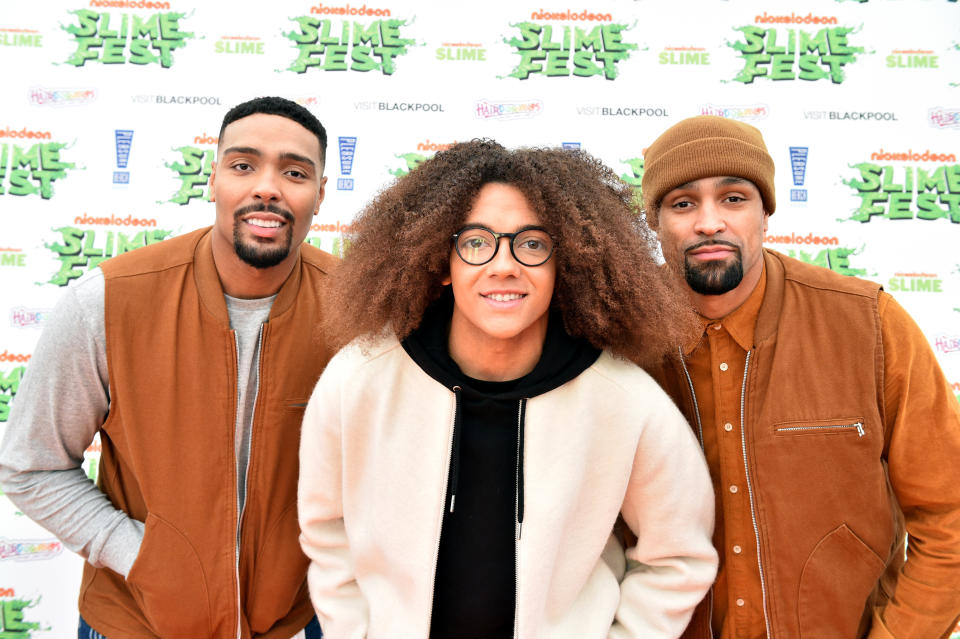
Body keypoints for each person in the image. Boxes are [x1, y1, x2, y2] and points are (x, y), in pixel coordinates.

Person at [297, 139, 718, 638]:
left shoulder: (625, 399)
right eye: (476, 241)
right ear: (441, 261)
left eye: (533, 243)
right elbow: (327, 532)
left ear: (568, 265)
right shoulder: (360, 378)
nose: (504, 265)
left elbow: (678, 555)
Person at [0, 96, 337, 638]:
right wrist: (144, 558)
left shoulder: (358, 310)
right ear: (213, 179)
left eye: (295, 172)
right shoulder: (108, 302)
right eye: (243, 165)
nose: (267, 187)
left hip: (294, 621)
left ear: (321, 195)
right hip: (134, 622)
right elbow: (30, 465)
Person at [640, 115, 960, 639]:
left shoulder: (869, 324)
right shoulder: (613, 341)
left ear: (766, 211)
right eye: (682, 203)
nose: (709, 222)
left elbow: (949, 513)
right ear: (655, 223)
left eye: (734, 198)